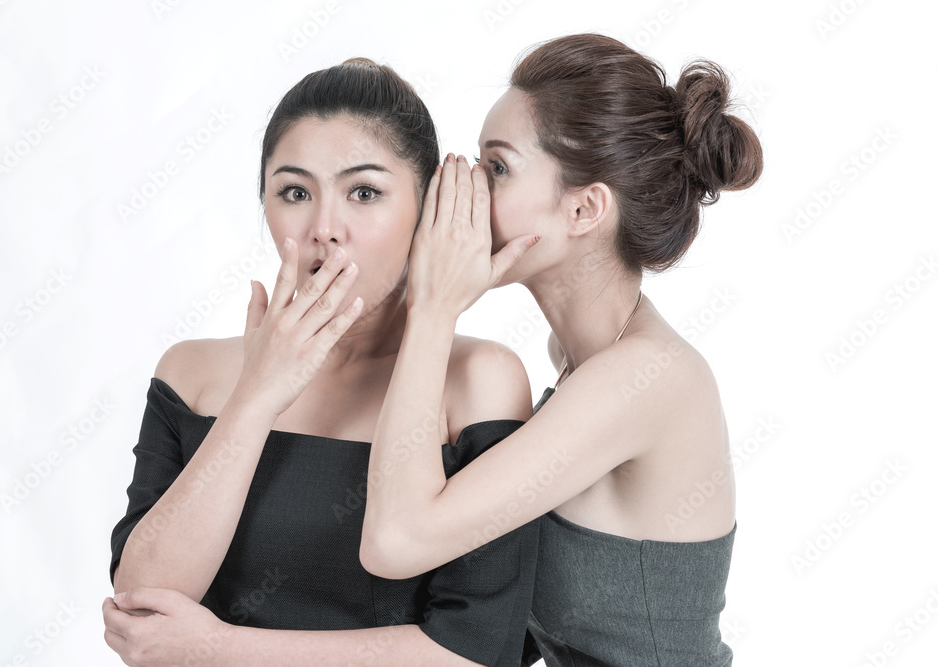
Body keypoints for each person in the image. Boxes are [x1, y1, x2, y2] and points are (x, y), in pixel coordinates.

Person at [101, 58, 539, 667]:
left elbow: (476, 649)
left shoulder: (480, 383)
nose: (324, 229)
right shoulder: (194, 374)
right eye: (294, 192)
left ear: (428, 207)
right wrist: (256, 398)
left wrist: (219, 648)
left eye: (364, 192)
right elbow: (142, 605)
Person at [361, 34, 763, 666]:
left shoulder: (648, 379)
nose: (465, 184)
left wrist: (435, 309)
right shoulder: (575, 360)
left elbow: (395, 540)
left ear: (583, 208)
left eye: (496, 167)